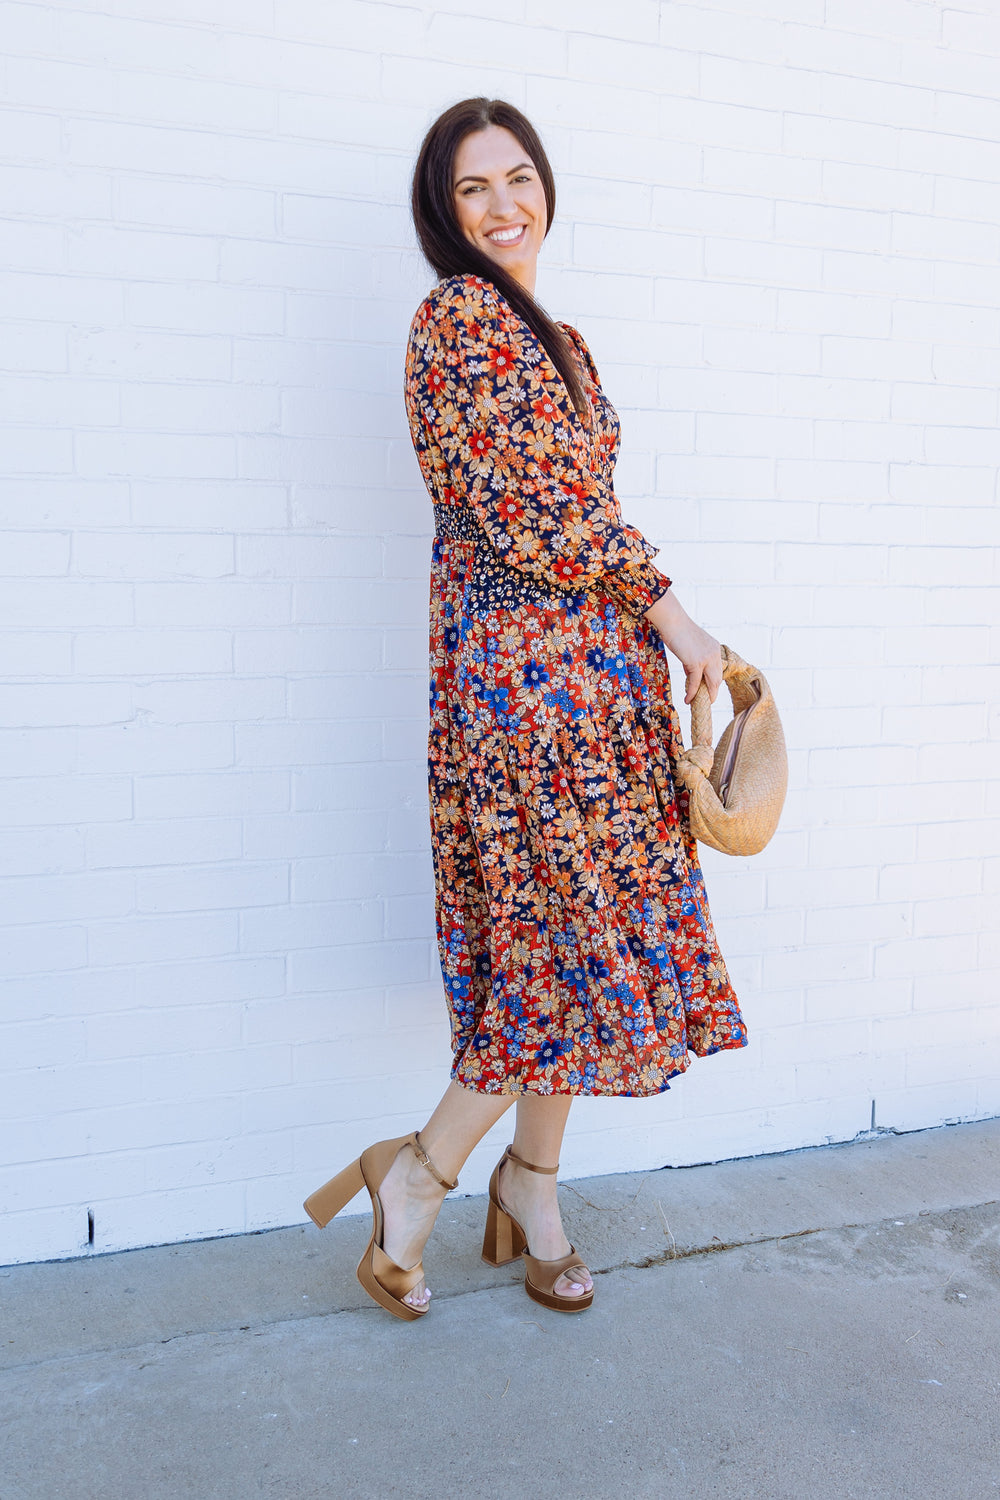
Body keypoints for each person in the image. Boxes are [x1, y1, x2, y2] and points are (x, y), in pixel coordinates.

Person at [304, 98, 747, 1321]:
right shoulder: (455, 319)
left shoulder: (563, 338)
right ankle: (422, 1175)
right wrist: (675, 613)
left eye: (517, 179)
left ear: (546, 185)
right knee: (548, 944)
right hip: (518, 679)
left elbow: (578, 504)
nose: (503, 208)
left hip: (594, 680)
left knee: (585, 940)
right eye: (471, 191)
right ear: (441, 216)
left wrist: (641, 630)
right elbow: (546, 513)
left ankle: (532, 1187)